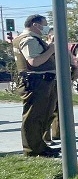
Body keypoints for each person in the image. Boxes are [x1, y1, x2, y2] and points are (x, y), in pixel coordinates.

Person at [11, 14, 59, 157]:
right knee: (34, 116)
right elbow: (34, 62)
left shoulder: (30, 39)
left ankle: (39, 146)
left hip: (41, 81)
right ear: (35, 24)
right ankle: (33, 150)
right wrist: (51, 49)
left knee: (43, 115)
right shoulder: (29, 40)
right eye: (44, 24)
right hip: (37, 81)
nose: (46, 27)